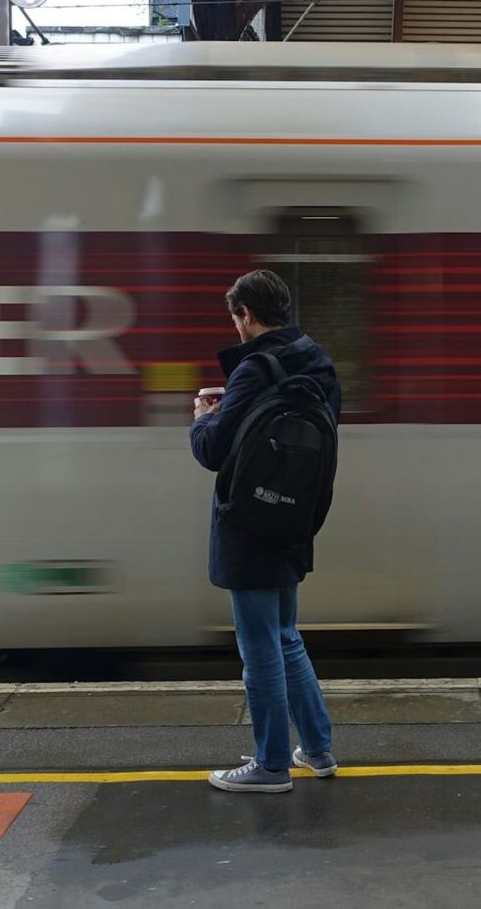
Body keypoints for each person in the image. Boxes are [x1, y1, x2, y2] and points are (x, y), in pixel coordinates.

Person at [190, 269, 343, 793]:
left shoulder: (256, 368)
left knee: (259, 647)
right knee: (285, 636)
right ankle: (317, 749)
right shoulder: (315, 359)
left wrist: (203, 416)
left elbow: (213, 450)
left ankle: (271, 764)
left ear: (246, 315)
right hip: (294, 516)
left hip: (250, 522)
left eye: (235, 318)